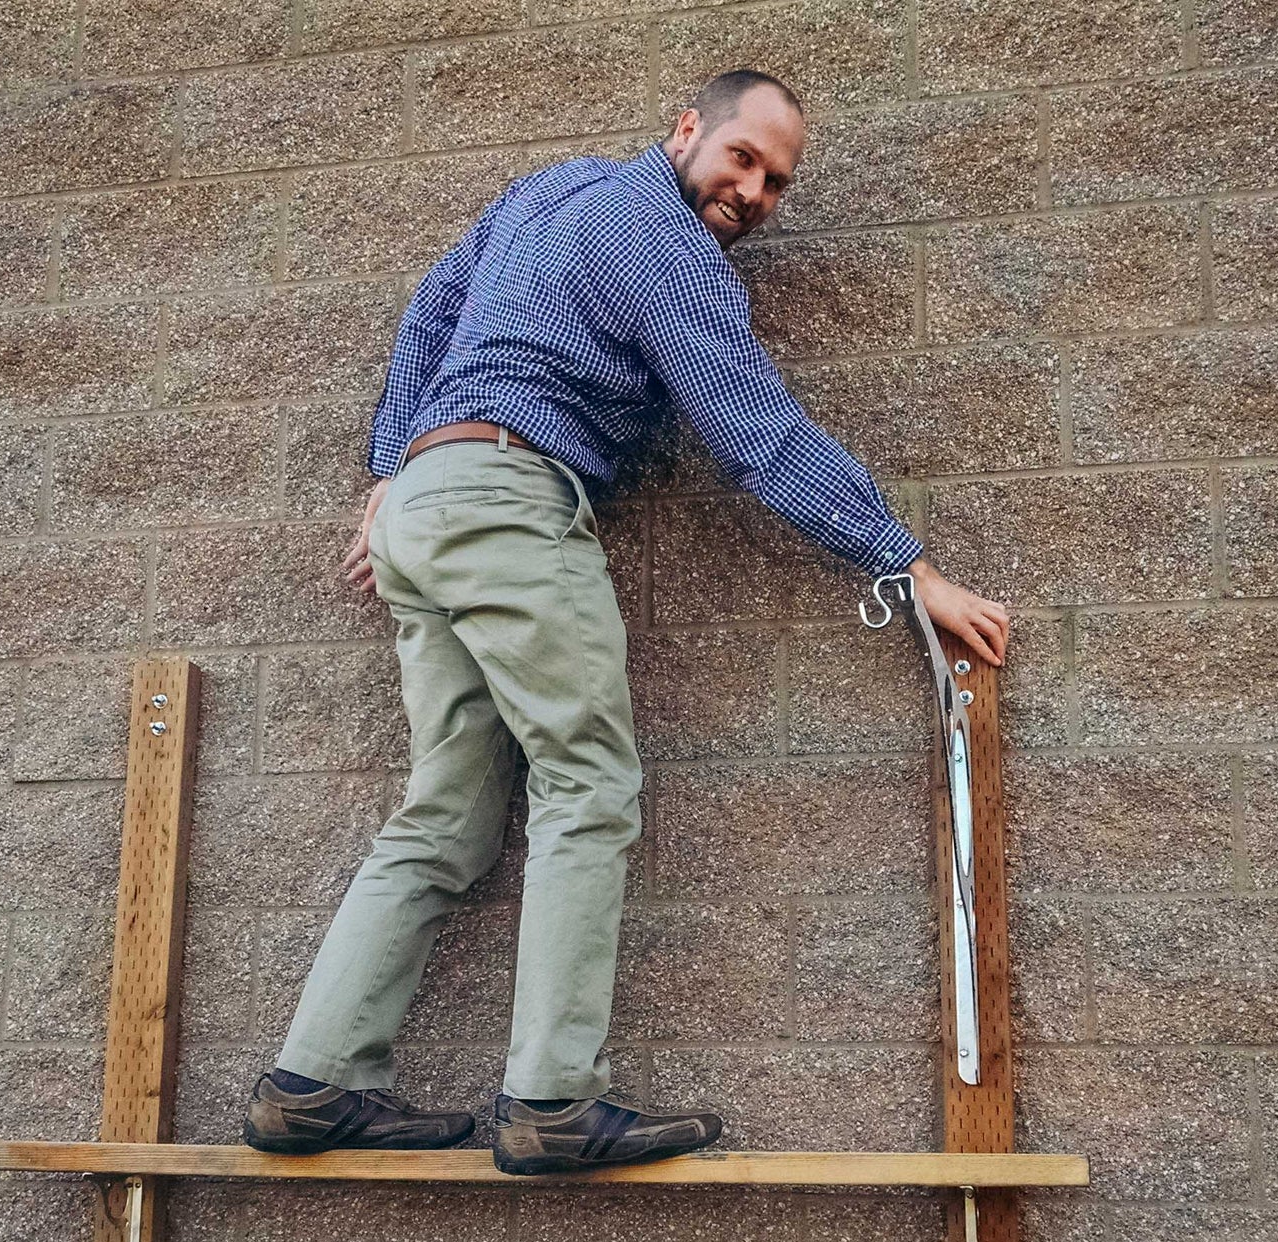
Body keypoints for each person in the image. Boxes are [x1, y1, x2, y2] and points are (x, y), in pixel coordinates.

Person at [243, 69, 1011, 1174]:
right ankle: (551, 1097)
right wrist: (909, 567)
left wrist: (393, 475)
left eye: (776, 183)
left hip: (429, 504)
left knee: (446, 812)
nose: (753, 191)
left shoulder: (549, 192)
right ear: (687, 128)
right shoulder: (661, 244)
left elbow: (430, 310)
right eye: (742, 157)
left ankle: (310, 1082)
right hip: (510, 499)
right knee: (587, 783)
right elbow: (758, 432)